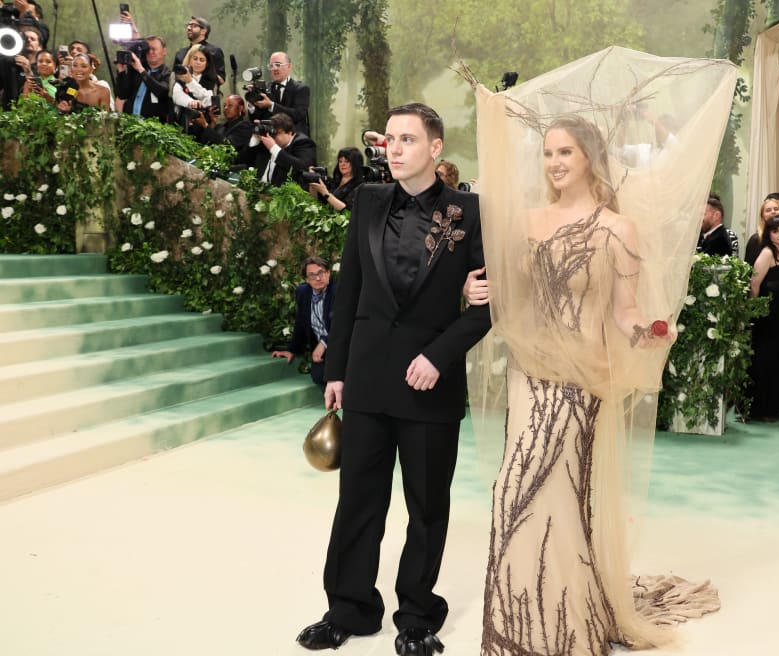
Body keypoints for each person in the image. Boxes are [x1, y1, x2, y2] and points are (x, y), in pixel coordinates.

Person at [465, 53, 729, 649]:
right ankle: (515, 625)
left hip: (582, 379)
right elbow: (504, 294)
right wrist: (472, 286)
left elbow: (624, 314)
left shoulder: (617, 229)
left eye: (566, 152)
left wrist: (651, 331)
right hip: (528, 373)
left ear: (589, 159)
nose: (555, 163)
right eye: (548, 153)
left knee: (559, 495)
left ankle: (570, 623)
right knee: (513, 489)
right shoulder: (526, 222)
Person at [296, 103, 490, 655]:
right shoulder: (368, 200)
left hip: (431, 384)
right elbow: (350, 290)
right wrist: (337, 371)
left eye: (408, 139)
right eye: (390, 139)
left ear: (435, 148)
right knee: (358, 501)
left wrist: (439, 356)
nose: (395, 148)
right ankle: (348, 610)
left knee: (426, 508)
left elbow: (487, 303)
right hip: (367, 381)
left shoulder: (470, 212)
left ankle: (417, 617)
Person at [747, 216, 779, 419]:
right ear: (769, 233)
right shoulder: (767, 253)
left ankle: (776, 405)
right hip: (767, 315)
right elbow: (754, 284)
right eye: (776, 231)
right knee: (766, 359)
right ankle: (762, 407)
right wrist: (754, 311)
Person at [271, 257, 337, 386]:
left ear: (328, 273)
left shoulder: (338, 291)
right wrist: (292, 349)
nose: (318, 278)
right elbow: (301, 321)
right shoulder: (303, 292)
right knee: (319, 375)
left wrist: (324, 343)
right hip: (324, 355)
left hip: (344, 347)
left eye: (321, 273)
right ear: (306, 279)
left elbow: (344, 324)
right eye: (312, 275)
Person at [235, 112, 316, 187]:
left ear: (289, 132)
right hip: (259, 190)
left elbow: (301, 167)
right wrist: (254, 141)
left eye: (276, 133)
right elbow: (242, 160)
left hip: (284, 195)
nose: (272, 137)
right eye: (272, 133)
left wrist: (274, 148)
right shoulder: (267, 142)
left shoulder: (303, 143)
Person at [248, 51, 310, 136]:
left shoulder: (301, 89)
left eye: (278, 64)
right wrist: (252, 105)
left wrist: (271, 105)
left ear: (289, 66)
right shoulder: (266, 88)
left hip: (294, 140)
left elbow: (298, 115)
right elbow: (257, 118)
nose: (274, 69)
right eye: (271, 66)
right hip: (270, 139)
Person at [115, 36, 172, 122]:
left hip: (153, 128)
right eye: (148, 49)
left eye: (154, 49)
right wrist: (121, 72)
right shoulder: (134, 69)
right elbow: (122, 94)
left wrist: (141, 70)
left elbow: (162, 92)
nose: (150, 52)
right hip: (130, 124)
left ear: (164, 51)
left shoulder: (167, 73)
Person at [172, 44, 219, 130]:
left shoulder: (211, 80)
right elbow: (177, 96)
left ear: (207, 63)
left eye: (202, 60)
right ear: (189, 59)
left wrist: (190, 82)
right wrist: (190, 102)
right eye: (195, 59)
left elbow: (208, 100)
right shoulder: (180, 75)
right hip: (182, 123)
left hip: (203, 125)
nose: (198, 62)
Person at [172, 16, 225, 88]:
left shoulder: (214, 51)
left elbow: (221, 79)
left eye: (194, 26)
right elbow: (174, 77)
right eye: (188, 25)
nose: (189, 28)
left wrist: (202, 71)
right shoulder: (180, 53)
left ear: (204, 31)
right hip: (181, 95)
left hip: (207, 96)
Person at [309, 147, 364, 212]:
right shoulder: (335, 181)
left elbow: (346, 211)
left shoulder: (360, 186)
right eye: (340, 161)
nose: (342, 164)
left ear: (355, 164)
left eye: (347, 161)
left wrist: (325, 192)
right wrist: (313, 181)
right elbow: (316, 202)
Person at [697, 192, 739, 257]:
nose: (699, 218)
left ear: (716, 216)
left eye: (703, 214)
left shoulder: (719, 240)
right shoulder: (710, 236)